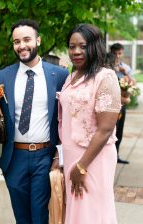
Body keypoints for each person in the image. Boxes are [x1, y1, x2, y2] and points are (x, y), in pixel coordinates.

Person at [0, 19, 68, 224]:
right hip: (14, 157)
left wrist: (58, 154)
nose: (22, 45)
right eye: (16, 41)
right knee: (21, 216)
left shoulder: (60, 75)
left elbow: (66, 118)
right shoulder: (2, 77)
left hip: (45, 156)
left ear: (38, 40)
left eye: (27, 39)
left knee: (40, 215)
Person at [58, 24, 121, 223]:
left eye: (82, 46)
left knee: (92, 213)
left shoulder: (105, 77)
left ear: (95, 47)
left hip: (93, 159)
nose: (76, 51)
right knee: (77, 212)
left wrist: (82, 167)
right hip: (71, 157)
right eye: (72, 46)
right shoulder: (71, 77)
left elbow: (106, 128)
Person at [110, 43, 133, 164]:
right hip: (111, 105)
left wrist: (125, 73)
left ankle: (116, 155)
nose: (117, 56)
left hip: (122, 105)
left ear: (123, 53)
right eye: (115, 53)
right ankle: (110, 156)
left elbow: (133, 83)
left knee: (119, 132)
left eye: (120, 53)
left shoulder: (126, 67)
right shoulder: (108, 66)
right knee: (111, 132)